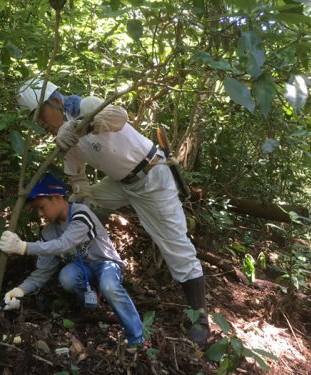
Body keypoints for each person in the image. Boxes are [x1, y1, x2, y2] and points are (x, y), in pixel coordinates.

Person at [16, 79, 210, 346]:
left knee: (175, 245)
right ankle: (89, 268)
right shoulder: (66, 138)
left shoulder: (87, 106)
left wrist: (77, 125)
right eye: (33, 118)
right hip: (120, 184)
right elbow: (78, 179)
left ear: (56, 102)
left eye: (40, 113)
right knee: (81, 205)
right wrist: (79, 196)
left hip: (152, 176)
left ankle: (200, 319)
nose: (39, 121)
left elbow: (118, 117)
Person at [0, 172, 144, 348]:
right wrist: (20, 291)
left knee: (110, 286)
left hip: (105, 264)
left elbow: (64, 244)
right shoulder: (48, 233)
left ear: (58, 197)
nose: (40, 213)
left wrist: (24, 247)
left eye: (42, 207)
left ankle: (137, 339)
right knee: (67, 277)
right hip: (81, 270)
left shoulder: (81, 214)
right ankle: (91, 307)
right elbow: (43, 271)